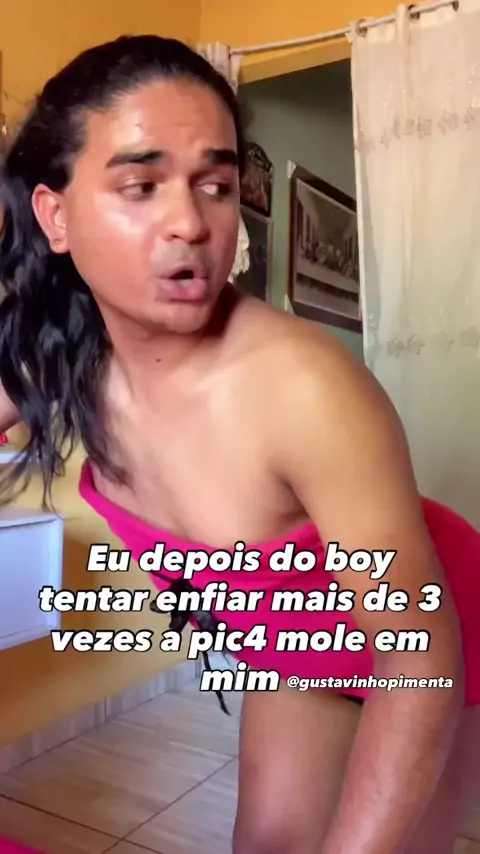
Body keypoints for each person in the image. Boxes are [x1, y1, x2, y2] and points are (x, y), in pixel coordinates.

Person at [0, 35, 479, 854]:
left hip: (434, 643)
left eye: (215, 186)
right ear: (56, 216)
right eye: (141, 186)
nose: (190, 224)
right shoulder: (52, 353)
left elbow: (418, 661)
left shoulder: (304, 389)